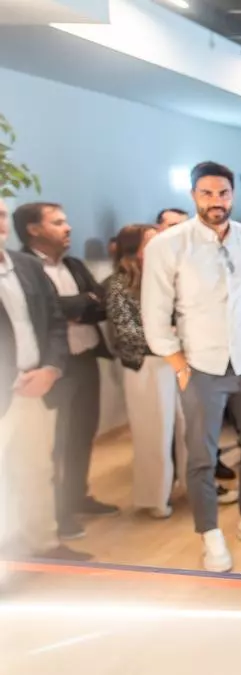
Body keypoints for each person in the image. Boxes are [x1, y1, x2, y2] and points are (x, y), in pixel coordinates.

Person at [142, 161, 241, 573]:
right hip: (201, 365)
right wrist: (176, 361)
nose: (216, 201)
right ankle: (209, 533)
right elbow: (154, 312)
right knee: (202, 456)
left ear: (233, 194)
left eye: (223, 193)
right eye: (207, 193)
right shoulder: (168, 245)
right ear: (194, 196)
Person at [13, 202, 117, 541]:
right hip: (55, 368)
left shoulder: (72, 264)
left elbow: (101, 304)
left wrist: (78, 305)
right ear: (33, 229)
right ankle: (58, 512)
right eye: (58, 222)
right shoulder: (23, 267)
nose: (68, 227)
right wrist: (79, 303)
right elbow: (52, 312)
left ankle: (77, 496)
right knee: (56, 443)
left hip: (85, 358)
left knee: (83, 434)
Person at [0, 198, 90, 562]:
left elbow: (54, 321)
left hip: (37, 386)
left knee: (37, 469)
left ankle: (44, 544)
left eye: (2, 214)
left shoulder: (25, 266)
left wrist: (51, 368)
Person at [106, 224, 186, 519]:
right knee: (154, 433)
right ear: (133, 249)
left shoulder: (165, 278)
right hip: (146, 365)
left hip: (178, 361)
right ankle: (154, 498)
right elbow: (126, 332)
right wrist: (169, 335)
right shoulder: (118, 283)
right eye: (151, 242)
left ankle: (195, 486)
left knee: (188, 430)